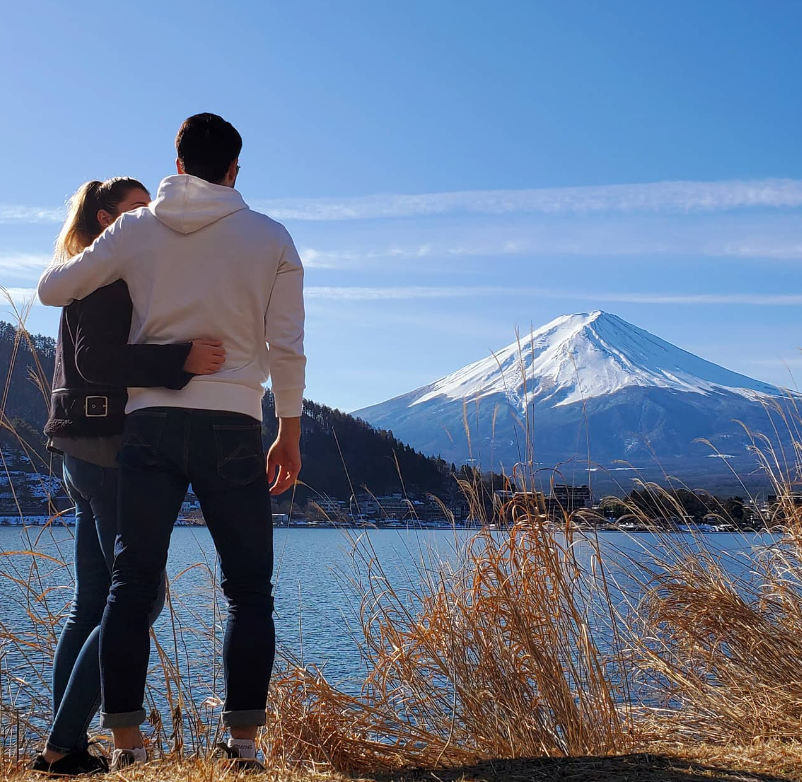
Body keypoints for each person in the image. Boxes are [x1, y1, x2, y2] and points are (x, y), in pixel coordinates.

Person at [37, 113, 306, 772]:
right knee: (249, 591)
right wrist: (289, 432)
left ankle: (126, 745)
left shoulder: (136, 228)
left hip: (151, 427)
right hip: (235, 425)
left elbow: (52, 290)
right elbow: (288, 346)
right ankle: (243, 745)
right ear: (235, 170)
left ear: (178, 165)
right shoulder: (270, 237)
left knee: (128, 589)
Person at [31, 177, 226, 776]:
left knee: (92, 604)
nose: (147, 218)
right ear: (103, 215)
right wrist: (180, 361)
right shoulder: (108, 273)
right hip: (107, 453)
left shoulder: (87, 268)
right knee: (141, 598)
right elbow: (98, 359)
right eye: (136, 209)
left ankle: (65, 747)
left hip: (78, 451)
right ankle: (66, 742)